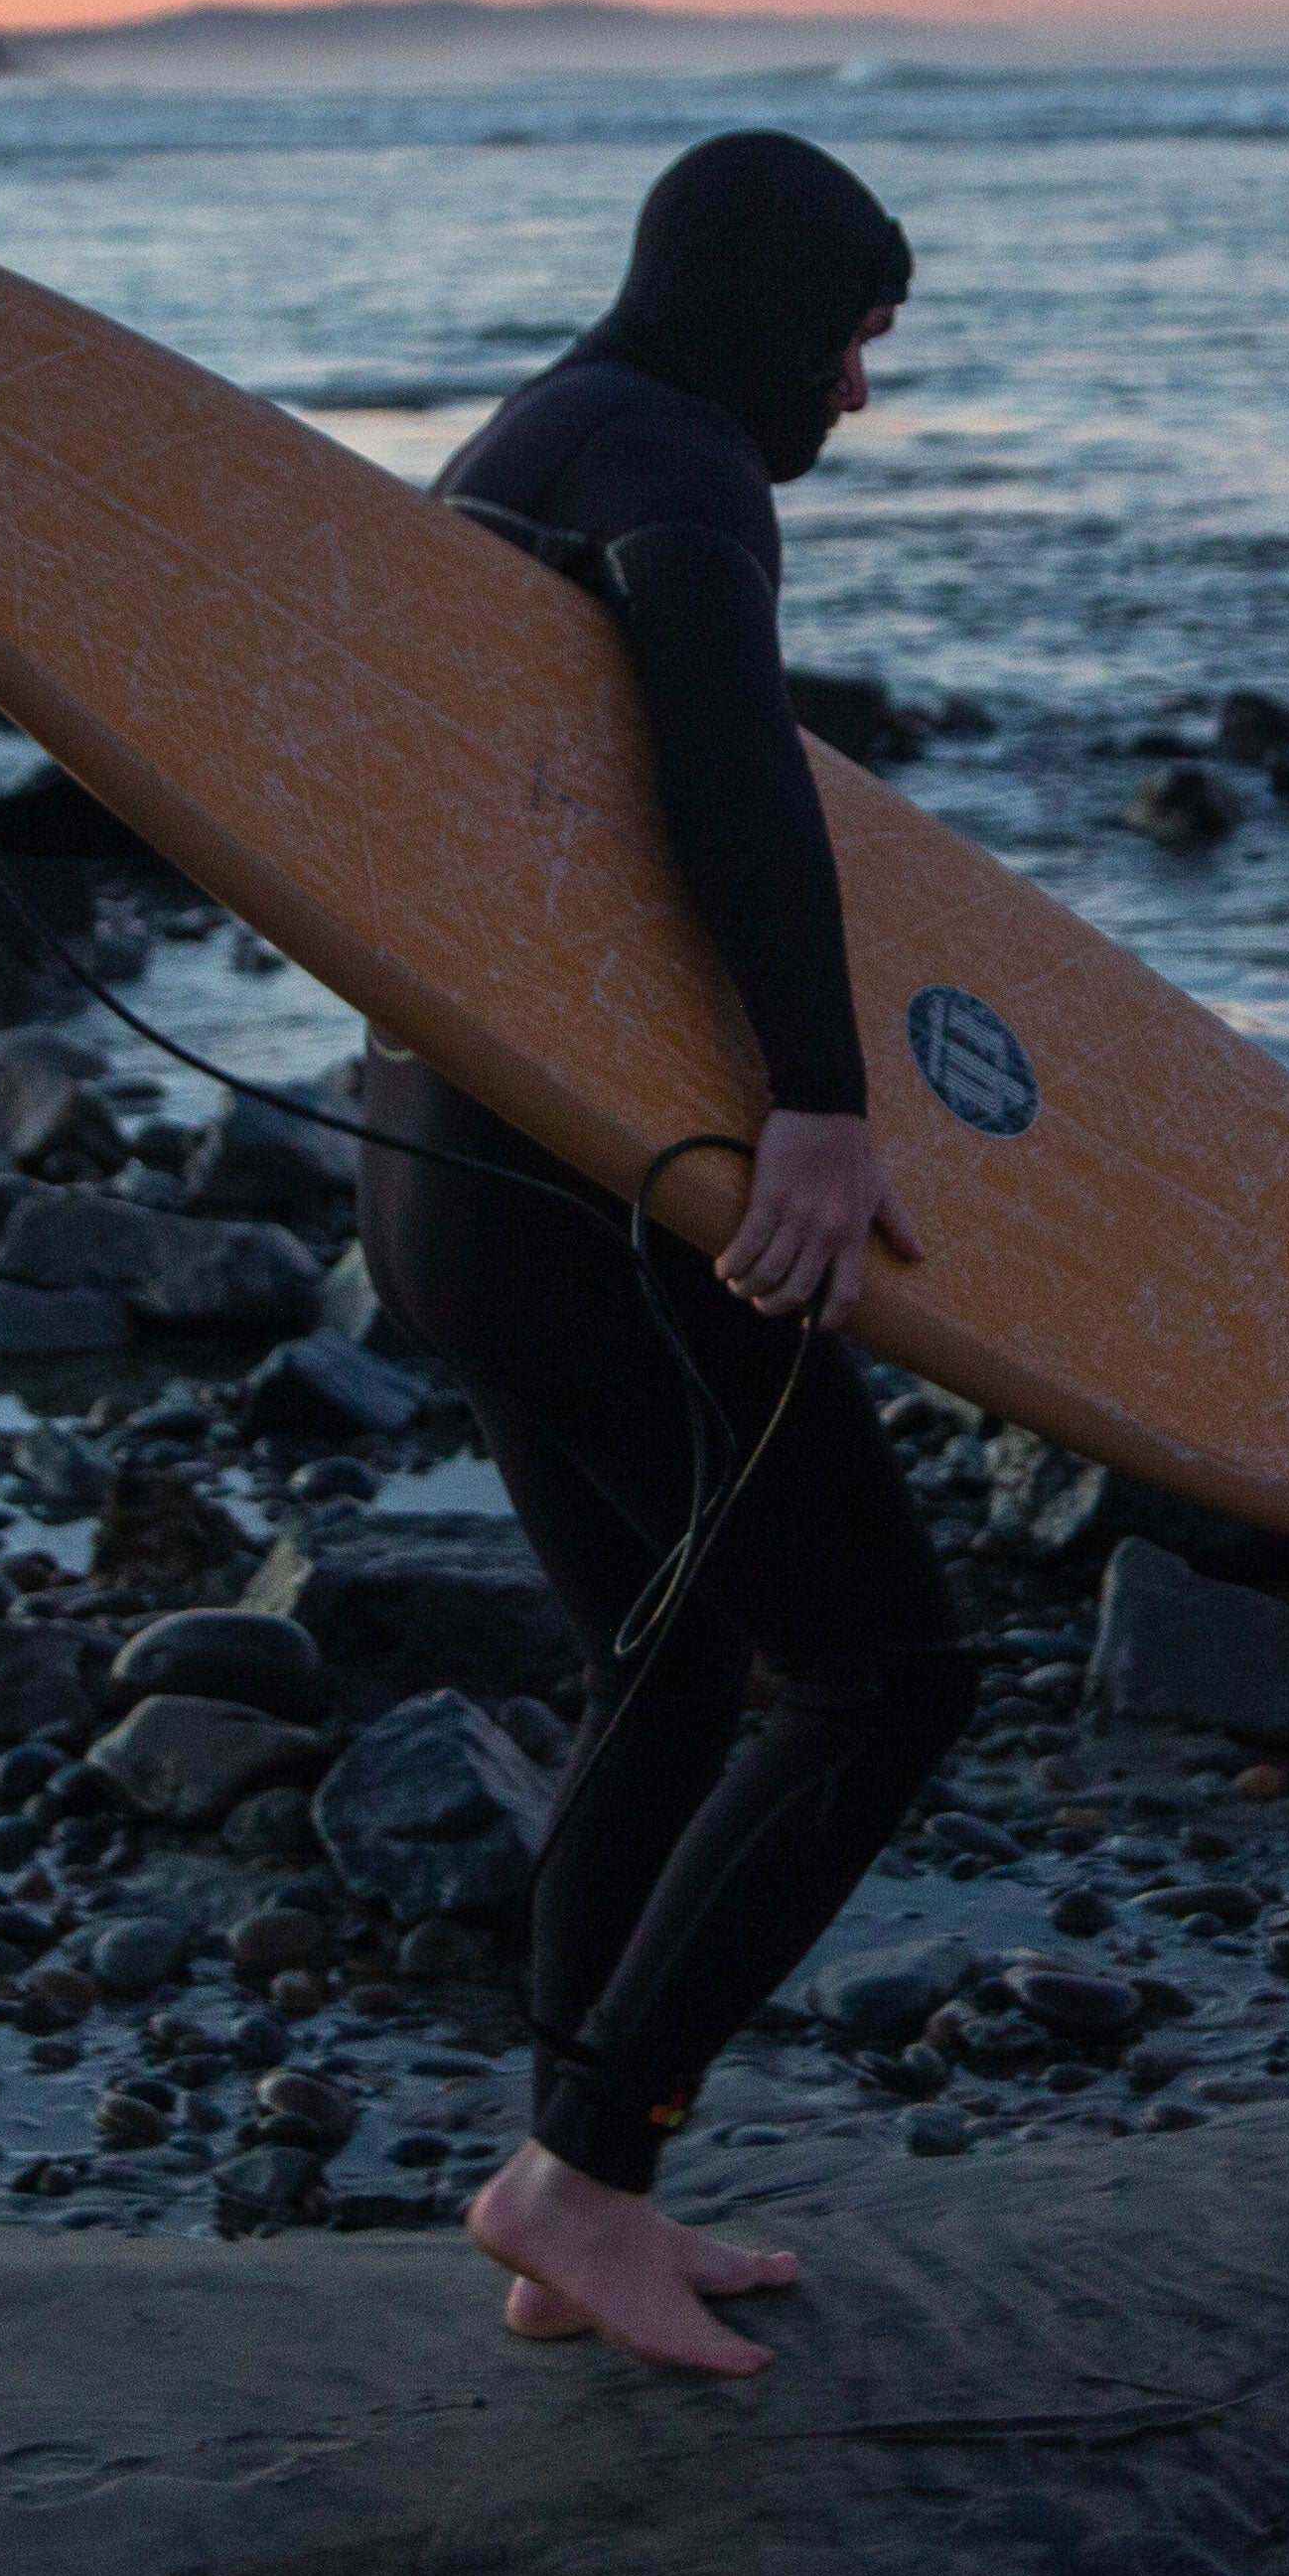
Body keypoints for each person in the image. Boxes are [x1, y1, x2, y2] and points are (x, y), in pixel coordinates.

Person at [357, 130, 978, 2379]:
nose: (855, 398)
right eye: (852, 342)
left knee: (672, 1660)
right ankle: (587, 2171)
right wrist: (820, 1100)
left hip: (439, 1168)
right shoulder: (683, 463)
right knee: (886, 1670)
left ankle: (573, 2207)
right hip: (589, 1199)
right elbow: (735, 766)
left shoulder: (527, 438)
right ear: (759, 319)